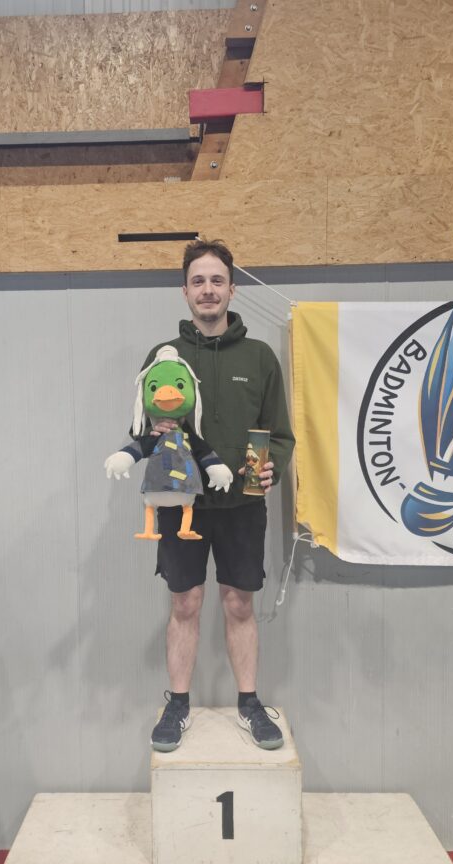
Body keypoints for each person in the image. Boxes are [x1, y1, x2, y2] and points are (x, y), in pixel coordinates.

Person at [144, 239, 295, 752]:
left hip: (243, 507)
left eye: (217, 280)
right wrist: (152, 434)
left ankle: (249, 703)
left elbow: (279, 434)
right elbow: (142, 427)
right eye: (198, 281)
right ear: (184, 291)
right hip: (180, 504)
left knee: (238, 604)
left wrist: (272, 465)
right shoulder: (164, 357)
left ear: (232, 289)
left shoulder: (260, 357)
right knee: (185, 602)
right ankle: (178, 705)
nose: (207, 290)